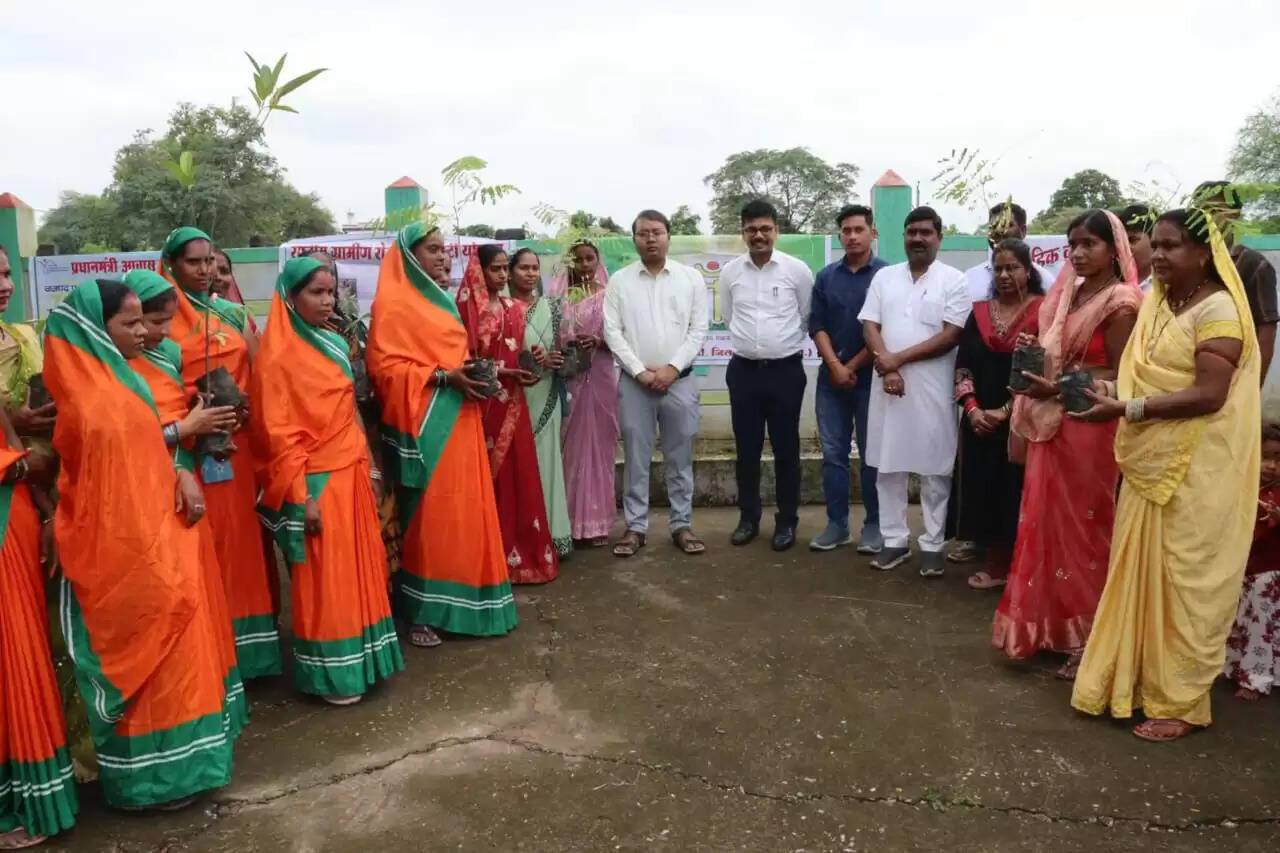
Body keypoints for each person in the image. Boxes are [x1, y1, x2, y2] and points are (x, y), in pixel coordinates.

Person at [1070, 209, 1260, 741]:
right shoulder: (1158, 303)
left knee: (1184, 584)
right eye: (1154, 245)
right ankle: (1131, 683)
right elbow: (1143, 379)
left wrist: (1126, 409)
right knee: (1139, 575)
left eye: (1171, 245)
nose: (1158, 255)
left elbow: (1209, 394)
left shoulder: (1219, 308)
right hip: (1152, 463)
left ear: (1203, 252)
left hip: (1199, 468)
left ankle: (1181, 702)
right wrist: (1107, 391)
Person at [46, 279, 233, 810]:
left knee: (174, 657)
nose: (142, 333)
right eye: (128, 324)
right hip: (126, 546)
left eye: (140, 322)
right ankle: (151, 782)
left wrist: (178, 468)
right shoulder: (96, 398)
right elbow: (110, 473)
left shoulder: (118, 379)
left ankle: (184, 772)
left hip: (156, 533)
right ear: (94, 330)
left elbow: (145, 452)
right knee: (150, 655)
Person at [251, 257, 404, 704]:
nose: (327, 301)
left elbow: (349, 411)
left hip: (351, 473)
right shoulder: (276, 357)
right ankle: (333, 676)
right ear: (290, 297)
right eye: (316, 292)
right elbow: (277, 435)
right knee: (326, 581)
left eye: (331, 292)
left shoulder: (334, 343)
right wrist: (302, 498)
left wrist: (371, 466)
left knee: (360, 572)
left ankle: (364, 663)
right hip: (314, 482)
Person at [996, 210, 1140, 674]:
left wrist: (1056, 387)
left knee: (1086, 530)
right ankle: (1050, 627)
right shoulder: (1069, 295)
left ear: (1113, 250)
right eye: (1072, 243)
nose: (1077, 253)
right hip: (1050, 424)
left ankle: (1091, 639)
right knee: (1045, 525)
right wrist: (1034, 358)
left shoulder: (1121, 302)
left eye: (1088, 244)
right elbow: (1056, 354)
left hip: (1090, 426)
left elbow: (1121, 374)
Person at [366, 223, 517, 648]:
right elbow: (384, 370)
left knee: (465, 510)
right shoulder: (392, 304)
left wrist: (474, 374)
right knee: (432, 516)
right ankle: (423, 612)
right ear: (409, 255)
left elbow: (456, 355)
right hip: (426, 421)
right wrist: (443, 377)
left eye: (444, 249)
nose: (442, 256)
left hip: (460, 417)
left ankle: (470, 604)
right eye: (432, 249)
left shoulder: (441, 301)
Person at [120, 269, 247, 737]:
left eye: (166, 321)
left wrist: (207, 422)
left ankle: (206, 704)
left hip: (186, 483)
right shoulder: (114, 368)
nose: (156, 332)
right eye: (149, 321)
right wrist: (184, 429)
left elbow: (176, 410)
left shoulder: (170, 354)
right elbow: (120, 444)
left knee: (196, 597)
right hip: (145, 494)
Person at [161, 227, 281, 680]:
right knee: (209, 546)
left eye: (209, 261)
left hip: (238, 445)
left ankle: (252, 658)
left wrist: (246, 407)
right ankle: (215, 654)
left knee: (242, 544)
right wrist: (195, 416)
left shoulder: (230, 314)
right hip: (192, 449)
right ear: (171, 265)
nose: (205, 270)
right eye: (193, 262)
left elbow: (261, 368)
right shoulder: (160, 320)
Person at [858, 206, 969, 577]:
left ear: (939, 237)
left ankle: (933, 543)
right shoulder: (885, 277)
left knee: (936, 469)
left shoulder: (954, 280)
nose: (918, 238)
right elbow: (870, 325)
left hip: (933, 389)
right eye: (912, 232)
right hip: (887, 387)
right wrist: (888, 365)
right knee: (888, 466)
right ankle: (894, 541)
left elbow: (951, 335)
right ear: (903, 236)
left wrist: (897, 360)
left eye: (925, 232)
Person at [604, 210, 709, 558]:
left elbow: (698, 329)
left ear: (668, 237)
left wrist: (672, 369)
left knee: (680, 458)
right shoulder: (620, 281)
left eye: (657, 232)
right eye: (643, 233)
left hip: (679, 383)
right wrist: (640, 372)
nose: (651, 239)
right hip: (636, 385)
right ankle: (635, 527)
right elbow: (612, 333)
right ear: (634, 239)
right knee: (636, 459)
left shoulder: (690, 279)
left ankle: (682, 525)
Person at [457, 245, 559, 584]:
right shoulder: (465, 310)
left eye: (504, 268)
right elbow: (462, 360)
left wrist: (535, 357)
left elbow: (523, 352)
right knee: (487, 481)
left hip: (513, 405)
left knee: (520, 476)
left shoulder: (515, 308)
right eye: (495, 269)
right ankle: (487, 559)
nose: (502, 275)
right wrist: (501, 372)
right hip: (480, 407)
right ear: (479, 271)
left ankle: (521, 557)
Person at [0, 406, 76, 849]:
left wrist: (47, 514)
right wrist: (22, 466)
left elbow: (11, 439)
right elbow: (21, 458)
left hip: (16, 519)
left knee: (23, 662)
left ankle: (32, 803)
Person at [950, 239, 1045, 590]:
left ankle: (1019, 566)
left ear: (1028, 271)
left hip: (1023, 418)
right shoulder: (978, 314)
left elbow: (1041, 368)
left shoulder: (1043, 312)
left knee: (1016, 490)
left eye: (1012, 268)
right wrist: (973, 409)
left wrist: (1006, 412)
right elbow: (963, 365)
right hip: (979, 421)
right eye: (998, 268)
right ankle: (994, 560)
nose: (1004, 275)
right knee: (983, 488)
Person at [719, 200, 814, 551]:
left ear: (776, 231)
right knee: (747, 450)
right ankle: (748, 519)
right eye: (751, 229)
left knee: (787, 450)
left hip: (785, 371)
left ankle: (787, 521)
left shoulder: (797, 270)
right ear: (742, 233)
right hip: (743, 371)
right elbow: (729, 316)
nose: (758, 235)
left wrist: (777, 345)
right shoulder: (730, 272)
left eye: (765, 229)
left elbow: (805, 315)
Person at [809, 205, 887, 553]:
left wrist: (851, 366)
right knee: (833, 454)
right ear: (840, 235)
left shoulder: (887, 276)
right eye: (846, 230)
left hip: (873, 378)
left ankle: (874, 525)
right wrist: (835, 366)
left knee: (873, 454)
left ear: (873, 233)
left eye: (859, 229)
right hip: (831, 379)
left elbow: (884, 329)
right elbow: (817, 325)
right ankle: (837, 525)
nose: (852, 236)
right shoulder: (826, 277)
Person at [553, 241, 618, 546]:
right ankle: (568, 522)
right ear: (570, 263)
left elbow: (624, 336)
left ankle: (597, 523)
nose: (584, 264)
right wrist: (568, 340)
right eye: (578, 259)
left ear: (597, 260)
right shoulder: (558, 298)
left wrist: (599, 340)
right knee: (571, 447)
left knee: (600, 447)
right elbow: (550, 335)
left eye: (590, 258)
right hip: (571, 379)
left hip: (601, 376)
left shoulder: (610, 296)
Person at [510, 249, 573, 560]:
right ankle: (520, 542)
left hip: (547, 394)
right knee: (517, 467)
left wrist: (559, 359)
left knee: (547, 463)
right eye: (524, 268)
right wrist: (534, 361)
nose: (531, 273)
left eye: (535, 268)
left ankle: (552, 535)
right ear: (510, 272)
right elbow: (500, 356)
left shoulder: (554, 307)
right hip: (515, 397)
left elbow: (566, 354)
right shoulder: (502, 310)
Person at [1195, 180, 1278, 382]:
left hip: (1232, 377)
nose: (1206, 217)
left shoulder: (1253, 265)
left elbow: (1265, 332)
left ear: (1235, 215)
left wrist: (1251, 386)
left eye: (1215, 210)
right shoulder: (1187, 261)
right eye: (1200, 210)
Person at [1224, 423, 1280, 701]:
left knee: (1261, 626)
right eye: (1265, 457)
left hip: (1268, 574)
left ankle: (1255, 680)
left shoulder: (1274, 495)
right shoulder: (1242, 487)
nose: (1272, 466)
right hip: (1241, 570)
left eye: (1279, 460)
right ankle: (1236, 668)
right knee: (1239, 621)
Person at [961, 203, 1054, 303]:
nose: (999, 231)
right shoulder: (969, 278)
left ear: (1023, 231)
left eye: (1008, 225)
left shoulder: (1046, 280)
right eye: (994, 226)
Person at [210, 249, 260, 338]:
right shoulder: (189, 315)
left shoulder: (239, 316)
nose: (218, 277)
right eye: (211, 271)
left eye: (224, 271)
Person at [1116, 204, 1155, 291]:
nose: (1126, 247)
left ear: (1154, 240)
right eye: (1122, 242)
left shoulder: (1168, 285)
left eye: (1132, 240)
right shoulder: (1109, 283)